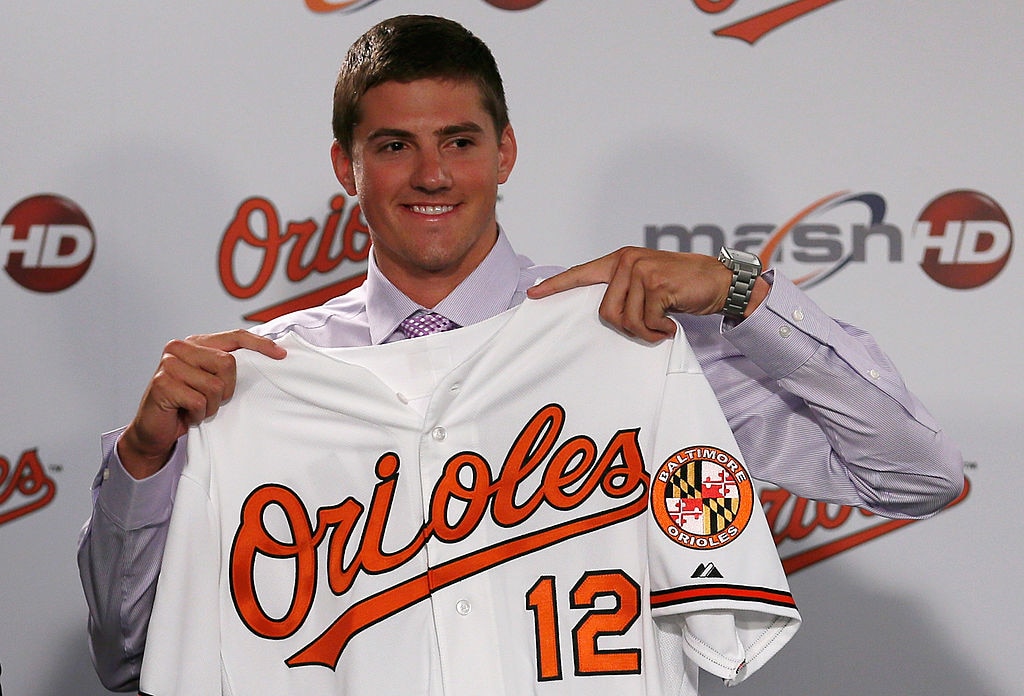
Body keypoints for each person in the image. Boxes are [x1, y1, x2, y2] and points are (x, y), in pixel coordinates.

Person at [77, 14, 963, 693]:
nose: (432, 175)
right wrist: (145, 460)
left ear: (504, 153)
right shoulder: (254, 382)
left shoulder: (634, 340)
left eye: (458, 142)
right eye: (394, 146)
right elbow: (129, 655)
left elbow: (916, 476)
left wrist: (740, 292)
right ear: (348, 167)